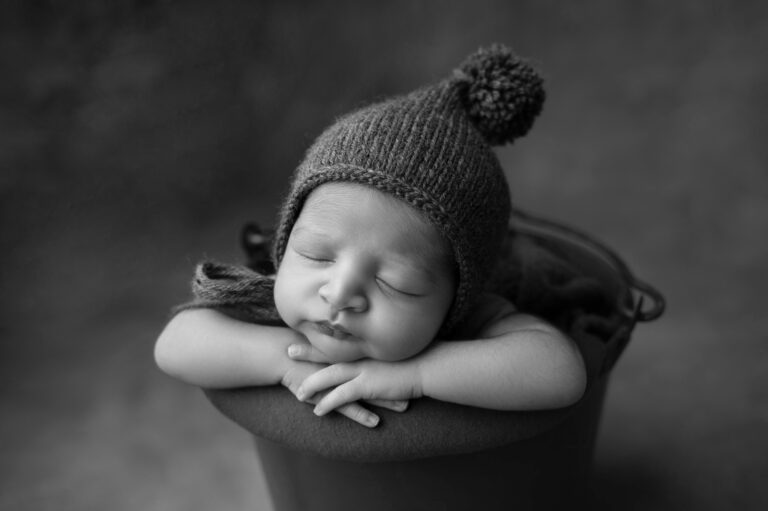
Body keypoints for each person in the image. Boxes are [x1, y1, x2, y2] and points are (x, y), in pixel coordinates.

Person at [154, 44, 587, 428]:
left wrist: (418, 374)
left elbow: (560, 372)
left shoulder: (470, 323)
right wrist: (282, 359)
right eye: (317, 255)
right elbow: (176, 342)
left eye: (395, 282)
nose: (340, 294)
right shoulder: (283, 309)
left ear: (459, 295)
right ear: (285, 248)